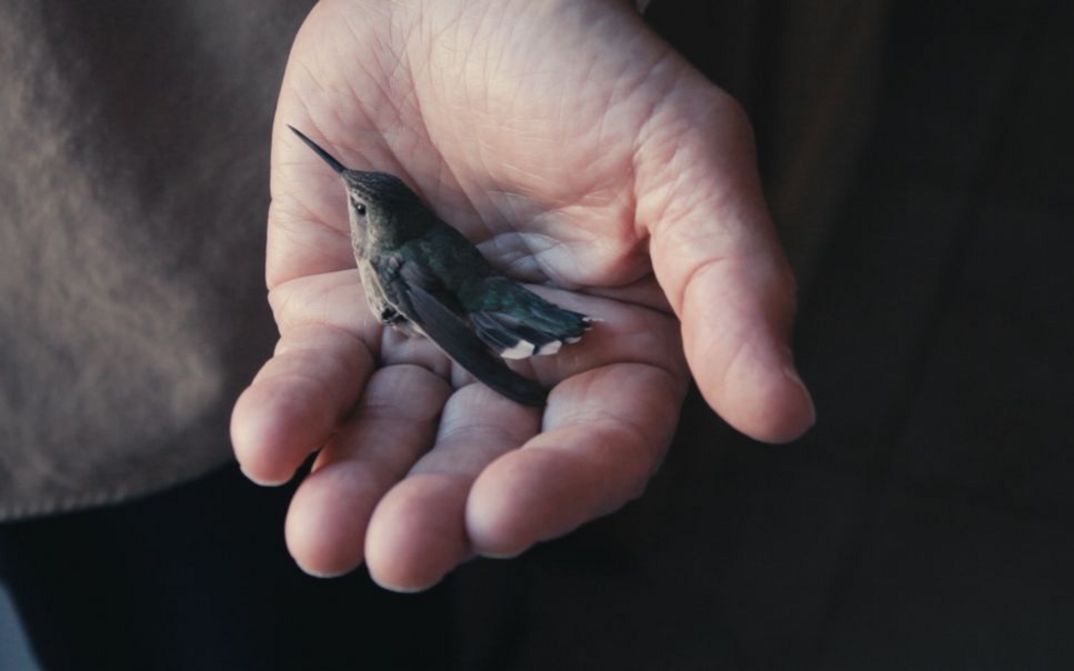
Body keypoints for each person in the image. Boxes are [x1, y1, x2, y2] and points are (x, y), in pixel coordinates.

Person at [0, 0, 855, 665]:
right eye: (354, 199)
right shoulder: (390, 244)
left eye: (357, 202)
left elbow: (439, 304)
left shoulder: (393, 257)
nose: (348, 201)